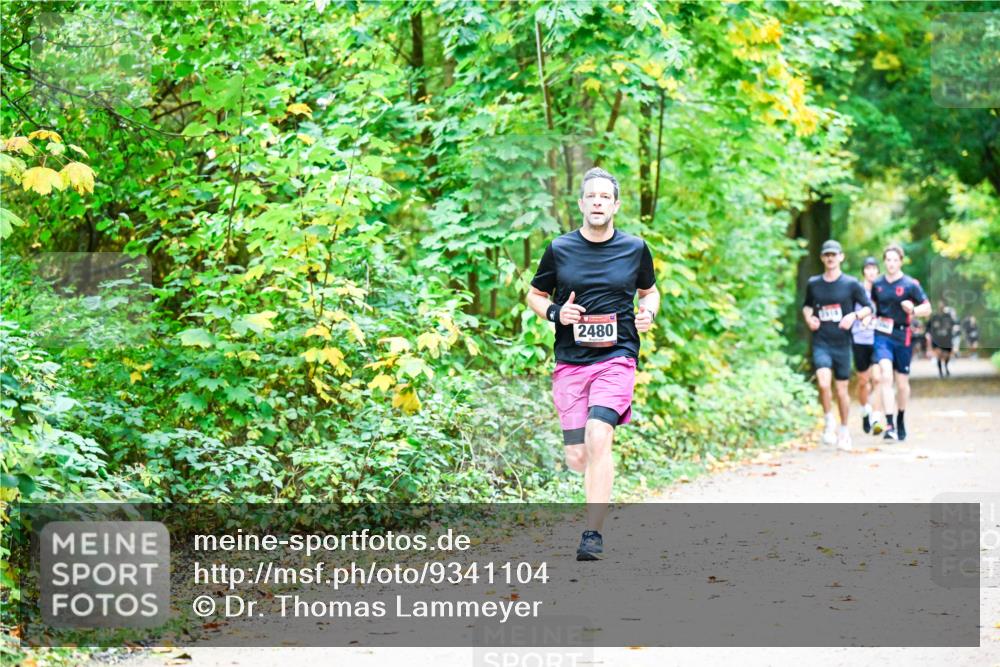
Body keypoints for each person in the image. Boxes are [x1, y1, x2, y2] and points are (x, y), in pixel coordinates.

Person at [526, 167, 659, 561]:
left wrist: (647, 313)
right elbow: (534, 294)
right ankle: (593, 485)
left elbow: (649, 293)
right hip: (571, 362)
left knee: (599, 434)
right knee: (577, 457)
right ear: (581, 204)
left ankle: (592, 534)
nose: (598, 202)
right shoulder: (559, 248)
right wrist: (554, 313)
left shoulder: (635, 248)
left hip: (617, 357)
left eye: (606, 197)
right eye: (592, 196)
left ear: (615, 205)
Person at [802, 240, 872, 451]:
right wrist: (809, 319)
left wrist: (853, 315)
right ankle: (828, 419)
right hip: (821, 341)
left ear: (841, 257)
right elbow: (806, 307)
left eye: (834, 254)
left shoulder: (851, 284)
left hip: (842, 344)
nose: (830, 258)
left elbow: (868, 308)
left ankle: (843, 430)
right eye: (827, 255)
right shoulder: (814, 283)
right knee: (823, 383)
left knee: (842, 391)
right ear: (822, 258)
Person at [870, 244, 932, 442]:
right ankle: (889, 425)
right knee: (886, 376)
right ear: (884, 261)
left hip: (902, 336)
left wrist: (913, 310)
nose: (891, 263)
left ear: (901, 262)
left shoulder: (910, 284)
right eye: (888, 260)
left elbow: (927, 308)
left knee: (902, 385)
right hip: (882, 335)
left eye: (895, 260)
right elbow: (870, 306)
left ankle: (901, 418)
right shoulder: (877, 284)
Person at [851, 256, 882, 434]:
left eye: (874, 269)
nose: (871, 272)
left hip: (878, 339)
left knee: (878, 378)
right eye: (867, 269)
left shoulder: (882, 291)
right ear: (863, 271)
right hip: (859, 338)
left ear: (878, 271)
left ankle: (877, 416)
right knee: (863, 381)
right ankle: (866, 411)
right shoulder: (857, 290)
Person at [927, 298, 957, 378]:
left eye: (942, 305)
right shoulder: (934, 317)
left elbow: (954, 324)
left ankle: (946, 367)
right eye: (939, 305)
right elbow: (928, 327)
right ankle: (940, 372)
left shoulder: (948, 316)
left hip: (947, 339)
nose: (941, 306)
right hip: (937, 339)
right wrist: (930, 335)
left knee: (947, 355)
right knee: (939, 355)